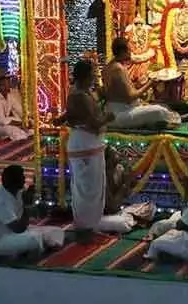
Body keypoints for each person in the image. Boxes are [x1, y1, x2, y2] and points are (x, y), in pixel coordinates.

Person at [62, 59, 114, 240]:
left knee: (87, 187)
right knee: (89, 188)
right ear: (86, 75)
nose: (96, 75)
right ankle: (86, 229)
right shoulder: (81, 96)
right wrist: (109, 117)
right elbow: (93, 124)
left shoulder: (78, 93)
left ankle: (88, 226)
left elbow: (71, 116)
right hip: (85, 144)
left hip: (85, 144)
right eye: (93, 72)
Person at [0, 165, 64, 258]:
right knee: (35, 239)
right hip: (0, 240)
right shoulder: (0, 202)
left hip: (16, 233)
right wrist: (27, 209)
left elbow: (29, 199)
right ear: (13, 182)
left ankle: (37, 247)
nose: (24, 180)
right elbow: (19, 229)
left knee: (56, 231)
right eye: (22, 177)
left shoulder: (17, 190)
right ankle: (29, 251)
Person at [103, 37, 180, 130]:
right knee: (159, 110)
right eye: (129, 50)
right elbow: (132, 96)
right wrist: (150, 83)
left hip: (112, 112)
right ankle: (171, 121)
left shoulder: (107, 67)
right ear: (123, 51)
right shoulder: (118, 69)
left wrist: (140, 84)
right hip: (121, 114)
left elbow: (121, 91)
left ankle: (157, 122)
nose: (131, 52)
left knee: (162, 106)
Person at [0, 75, 29, 141]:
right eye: (6, 84)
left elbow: (20, 110)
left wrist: (28, 120)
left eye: (8, 84)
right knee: (10, 129)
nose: (8, 86)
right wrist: (21, 124)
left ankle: (21, 133)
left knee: (20, 120)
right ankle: (21, 136)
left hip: (3, 124)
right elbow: (2, 121)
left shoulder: (9, 96)